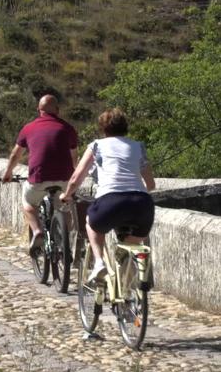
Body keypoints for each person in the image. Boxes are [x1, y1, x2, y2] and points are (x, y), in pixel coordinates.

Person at [59, 108, 155, 282]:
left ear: (103, 129)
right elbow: (151, 185)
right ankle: (130, 291)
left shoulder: (97, 146)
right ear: (126, 127)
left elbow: (75, 179)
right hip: (142, 204)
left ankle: (99, 263)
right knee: (131, 244)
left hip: (110, 201)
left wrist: (66, 195)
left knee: (91, 223)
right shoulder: (138, 146)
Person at [1, 94, 78, 254]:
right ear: (57, 110)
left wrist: (8, 173)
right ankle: (63, 240)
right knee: (65, 208)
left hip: (39, 179)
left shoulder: (29, 128)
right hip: (65, 179)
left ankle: (37, 231)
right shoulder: (68, 128)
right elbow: (74, 157)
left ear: (39, 110)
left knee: (28, 204)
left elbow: (16, 155)